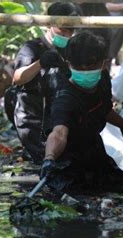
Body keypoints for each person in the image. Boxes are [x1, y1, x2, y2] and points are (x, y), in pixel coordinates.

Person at [40, 31, 123, 194]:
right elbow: (59, 133)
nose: (85, 71)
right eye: (78, 67)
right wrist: (49, 159)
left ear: (103, 64)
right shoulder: (65, 97)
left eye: (90, 66)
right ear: (69, 64)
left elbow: (102, 108)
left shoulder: (103, 79)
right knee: (71, 195)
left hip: (92, 145)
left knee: (122, 188)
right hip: (65, 154)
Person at [6, 3, 80, 163]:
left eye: (71, 30)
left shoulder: (73, 50)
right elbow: (17, 78)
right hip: (33, 117)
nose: (67, 34)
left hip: (61, 117)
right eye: (63, 29)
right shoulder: (32, 47)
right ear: (48, 24)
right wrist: (40, 63)